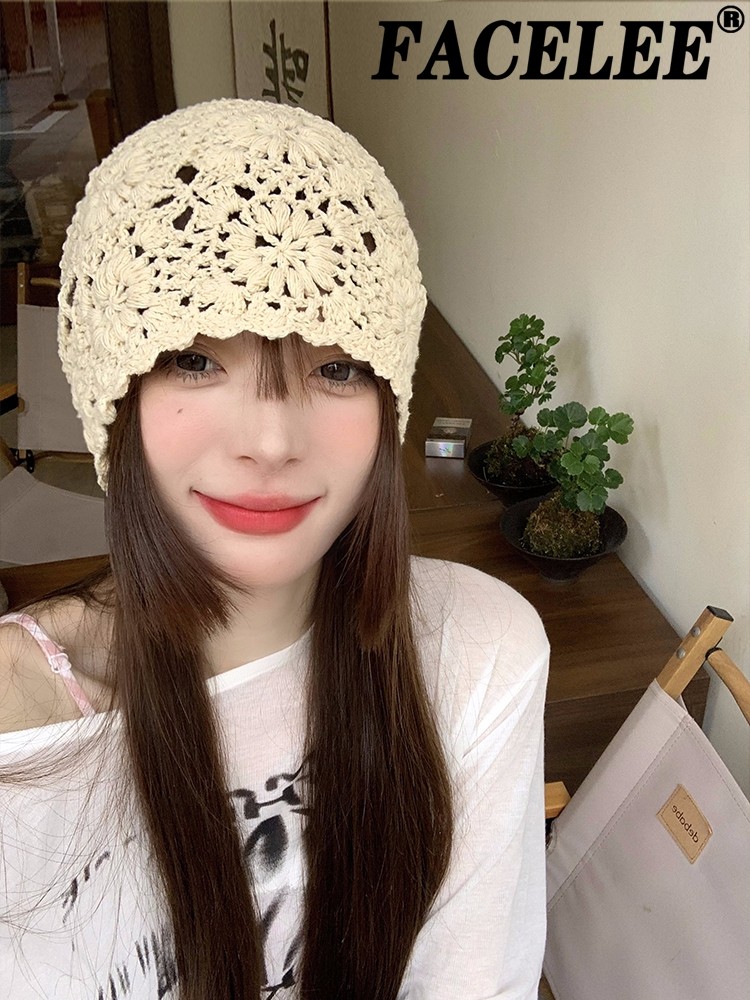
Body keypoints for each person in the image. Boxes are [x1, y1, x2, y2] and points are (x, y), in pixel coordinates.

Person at [0, 99, 549, 1000]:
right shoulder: (18, 729)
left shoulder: (476, 654)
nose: (271, 441)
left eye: (335, 367)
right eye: (195, 359)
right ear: (116, 396)